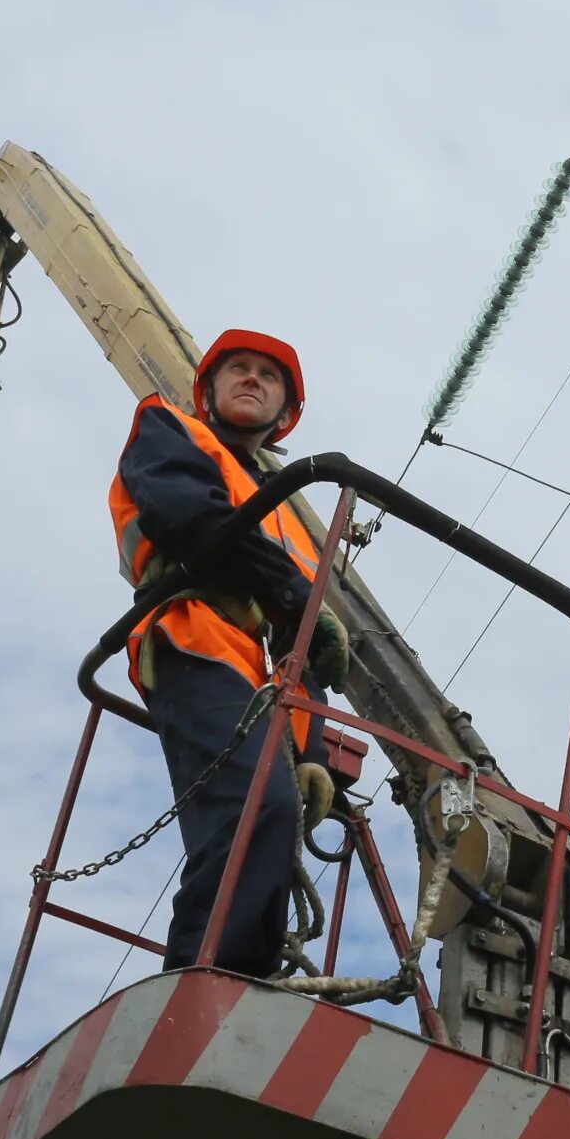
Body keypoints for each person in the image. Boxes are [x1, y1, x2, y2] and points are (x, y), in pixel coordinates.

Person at [106, 329, 351, 977]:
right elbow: (188, 517)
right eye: (237, 370)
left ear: (286, 414)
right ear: (207, 391)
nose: (251, 380)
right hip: (190, 635)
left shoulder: (288, 521)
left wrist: (315, 753)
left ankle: (245, 986)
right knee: (252, 809)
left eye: (268, 378)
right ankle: (201, 986)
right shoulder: (170, 432)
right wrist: (295, 594)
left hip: (258, 677)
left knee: (273, 827)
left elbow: (300, 644)